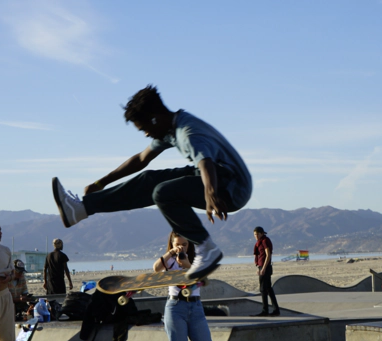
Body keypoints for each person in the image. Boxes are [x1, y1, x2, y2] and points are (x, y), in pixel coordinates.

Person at [51, 85, 252, 281]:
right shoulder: (170, 128)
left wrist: (211, 192)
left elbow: (205, 162)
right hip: (216, 176)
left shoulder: (187, 133)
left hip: (231, 186)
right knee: (149, 180)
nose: (147, 134)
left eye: (145, 128)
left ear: (155, 118)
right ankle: (81, 210)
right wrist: (101, 182)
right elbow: (141, 159)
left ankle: (206, 248)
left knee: (163, 193)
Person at [153, 231, 217, 341]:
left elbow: (204, 277)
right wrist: (171, 253)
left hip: (195, 307)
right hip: (175, 307)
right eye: (178, 244)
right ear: (172, 244)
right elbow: (156, 268)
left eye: (185, 244)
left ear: (190, 245)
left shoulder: (196, 259)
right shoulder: (170, 261)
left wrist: (187, 264)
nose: (182, 247)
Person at [253, 227, 280, 317]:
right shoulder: (259, 242)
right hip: (262, 266)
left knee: (263, 289)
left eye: (257, 234)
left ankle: (265, 310)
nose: (256, 236)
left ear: (262, 233)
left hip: (266, 267)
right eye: (254, 234)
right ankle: (276, 310)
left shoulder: (265, 241)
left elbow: (268, 255)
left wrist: (263, 268)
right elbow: (260, 256)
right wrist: (258, 267)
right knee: (268, 289)